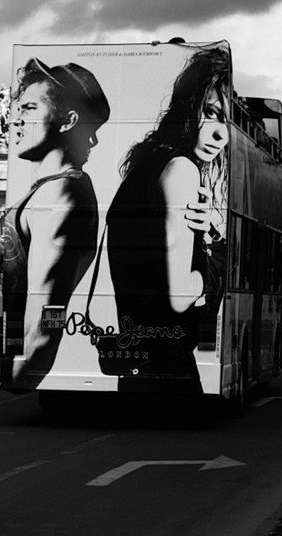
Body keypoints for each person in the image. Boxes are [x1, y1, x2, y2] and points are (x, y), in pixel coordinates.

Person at [105, 44, 230, 393]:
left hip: (137, 358)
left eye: (227, 120)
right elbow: (178, 297)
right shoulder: (182, 170)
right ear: (186, 106)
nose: (222, 135)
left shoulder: (146, 166)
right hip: (169, 364)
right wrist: (216, 257)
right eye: (210, 112)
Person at [3, 57, 110, 386]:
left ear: (67, 121)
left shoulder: (60, 193)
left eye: (30, 108)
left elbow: (45, 310)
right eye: (17, 108)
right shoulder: (52, 188)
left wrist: (19, 378)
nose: (15, 120)